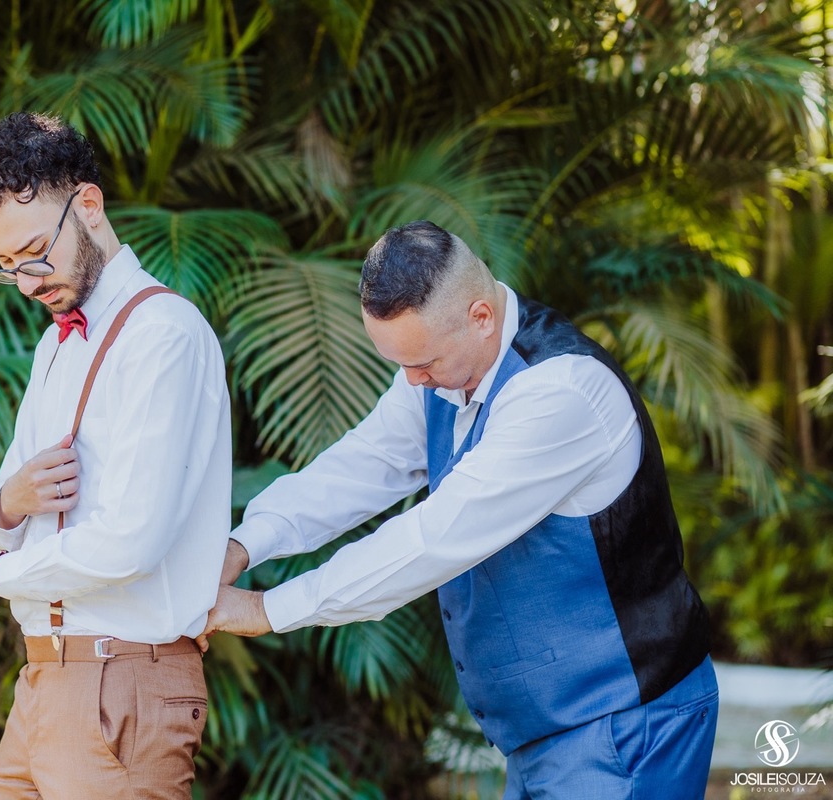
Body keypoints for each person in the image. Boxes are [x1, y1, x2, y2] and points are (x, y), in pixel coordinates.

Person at [202, 220, 718, 798]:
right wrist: (243, 545)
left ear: (481, 316)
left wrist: (268, 609)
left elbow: (434, 538)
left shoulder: (559, 392)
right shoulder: (440, 370)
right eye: (400, 363)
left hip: (625, 724)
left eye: (423, 362)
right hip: (547, 735)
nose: (411, 381)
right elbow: (363, 465)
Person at [0, 112, 231, 800]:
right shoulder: (55, 343)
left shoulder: (162, 334)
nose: (25, 282)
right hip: (44, 680)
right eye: (5, 265)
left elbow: (128, 542)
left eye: (33, 251)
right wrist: (11, 502)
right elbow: (1, 511)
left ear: (89, 206)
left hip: (120, 680)